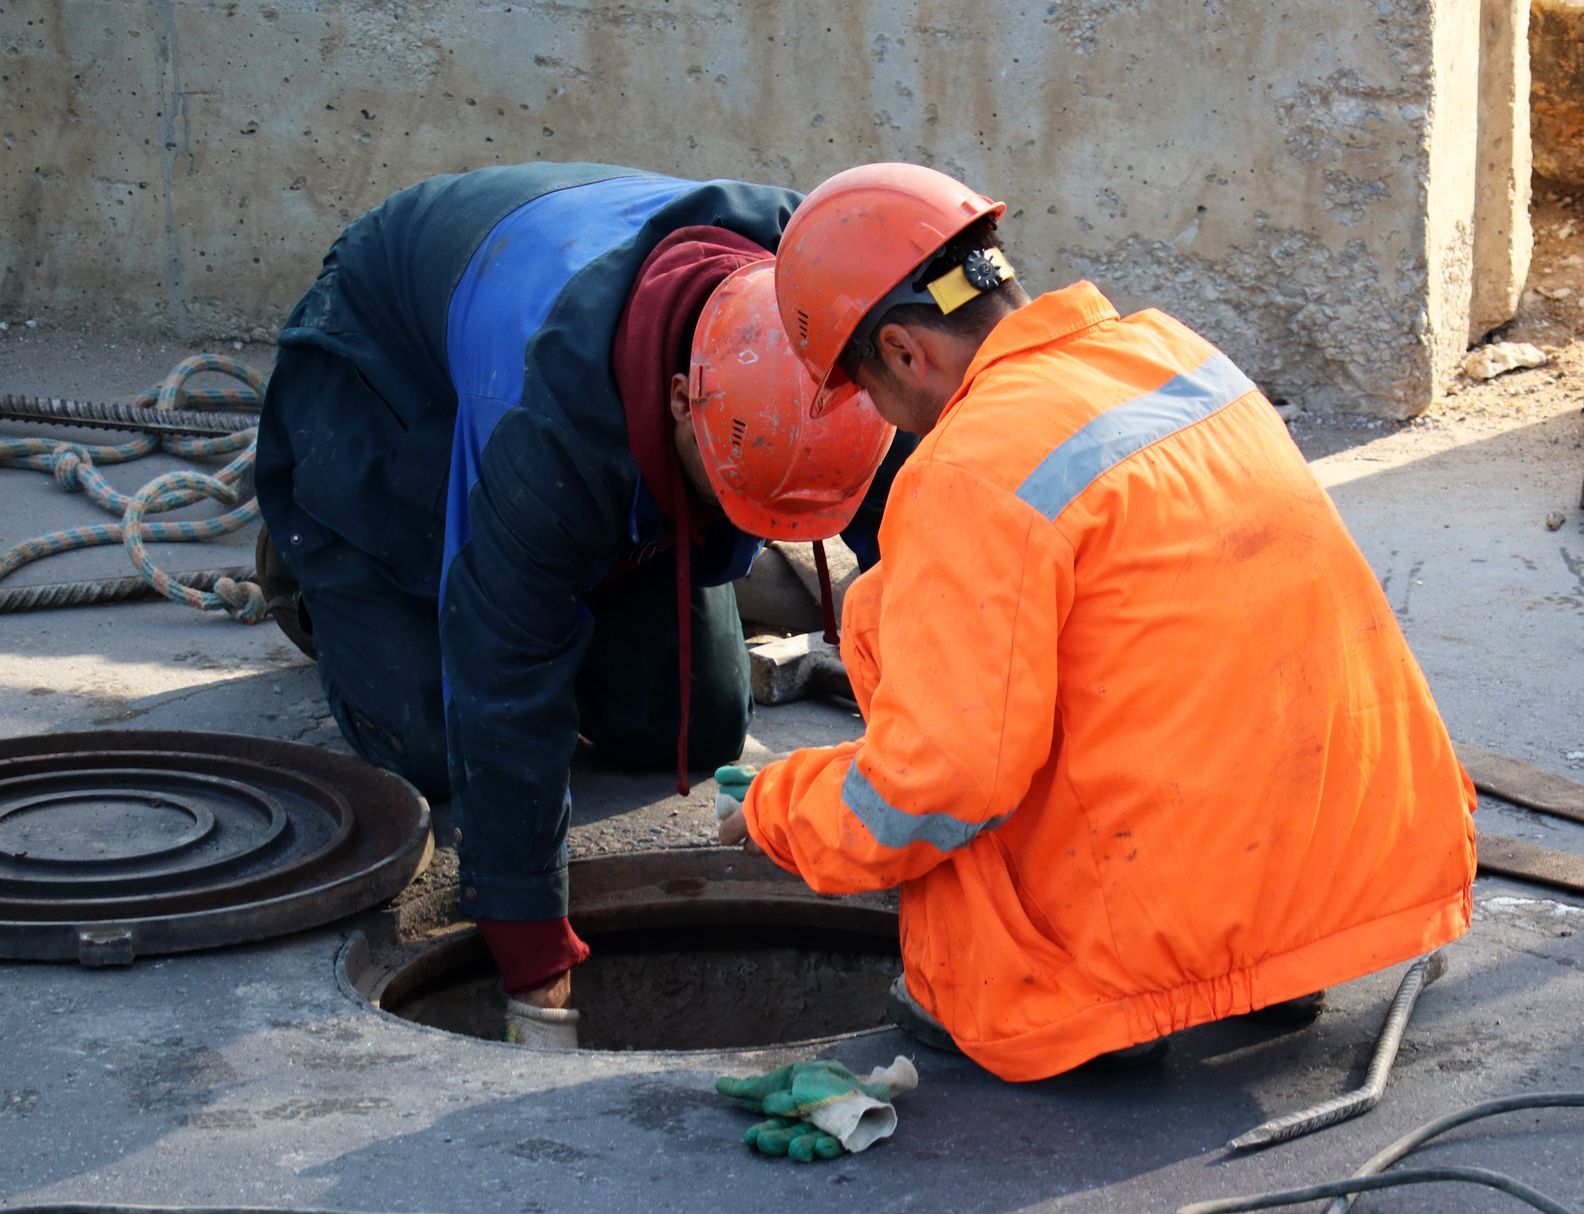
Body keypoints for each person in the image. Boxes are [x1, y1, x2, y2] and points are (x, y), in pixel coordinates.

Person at [719, 163, 1477, 1082]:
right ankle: (1268, 959)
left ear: (905, 352)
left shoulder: (969, 469)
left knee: (967, 915)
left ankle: (1118, 1003)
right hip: (1353, 858)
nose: (877, 417)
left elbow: (940, 783)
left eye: (864, 389)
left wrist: (777, 811)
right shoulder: (1172, 353)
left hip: (1159, 917)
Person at [253, 163, 894, 1046]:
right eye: (736, 496)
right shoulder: (551, 426)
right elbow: (504, 674)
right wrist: (531, 963)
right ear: (680, 401)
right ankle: (335, 564)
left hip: (580, 346)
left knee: (694, 728)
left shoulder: (841, 308)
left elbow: (926, 551)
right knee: (438, 749)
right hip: (396, 355)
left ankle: (598, 554)